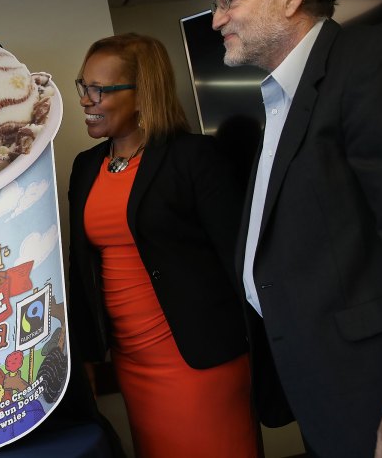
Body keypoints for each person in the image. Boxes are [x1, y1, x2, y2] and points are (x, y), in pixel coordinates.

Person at [212, 0, 382, 456]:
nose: (217, 19)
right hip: (324, 389)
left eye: (228, 0)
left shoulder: (373, 59)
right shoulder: (281, 100)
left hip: (381, 392)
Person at [67, 33, 258, 457]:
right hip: (132, 363)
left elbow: (239, 260)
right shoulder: (85, 168)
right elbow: (79, 268)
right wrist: (87, 356)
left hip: (199, 358)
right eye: (84, 86)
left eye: (100, 89)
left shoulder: (193, 157)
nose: (85, 99)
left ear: (142, 95)